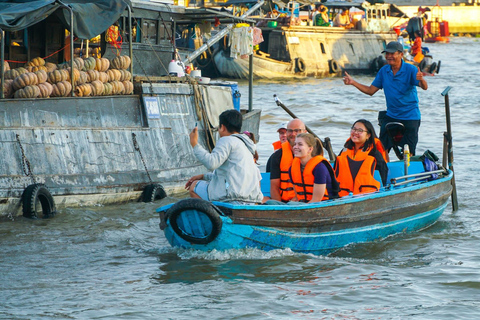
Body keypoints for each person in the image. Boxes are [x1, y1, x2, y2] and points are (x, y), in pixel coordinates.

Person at [343, 41, 428, 156]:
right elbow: (370, 91)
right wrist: (353, 82)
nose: (388, 56)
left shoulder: (411, 69)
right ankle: (383, 171)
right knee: (381, 149)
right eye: (387, 54)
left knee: (409, 152)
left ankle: (407, 171)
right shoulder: (384, 71)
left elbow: (424, 87)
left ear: (401, 54)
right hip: (391, 115)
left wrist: (421, 79)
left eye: (392, 54)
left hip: (410, 116)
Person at [185, 109, 263, 204]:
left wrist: (195, 144)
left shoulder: (226, 140)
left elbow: (211, 163)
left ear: (222, 127)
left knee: (194, 186)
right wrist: (203, 176)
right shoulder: (247, 146)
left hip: (232, 198)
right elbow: (229, 175)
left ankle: (213, 215)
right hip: (251, 200)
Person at [334, 119, 388, 197]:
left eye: (360, 130)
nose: (355, 132)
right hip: (342, 195)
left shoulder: (374, 153)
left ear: (368, 135)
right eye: (354, 129)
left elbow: (383, 175)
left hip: (367, 195)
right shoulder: (344, 151)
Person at [289, 133, 339, 203]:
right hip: (303, 204)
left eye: (300, 144)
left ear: (310, 149)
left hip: (321, 205)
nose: (295, 147)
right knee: (271, 203)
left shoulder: (319, 168)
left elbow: (316, 200)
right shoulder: (292, 168)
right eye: (295, 144)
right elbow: (298, 196)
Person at [267, 118, 307, 202]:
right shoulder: (277, 156)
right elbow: (274, 187)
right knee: (269, 202)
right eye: (290, 131)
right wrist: (281, 208)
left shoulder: (312, 155)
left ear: (305, 132)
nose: (293, 134)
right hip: (284, 202)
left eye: (297, 131)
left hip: (306, 200)